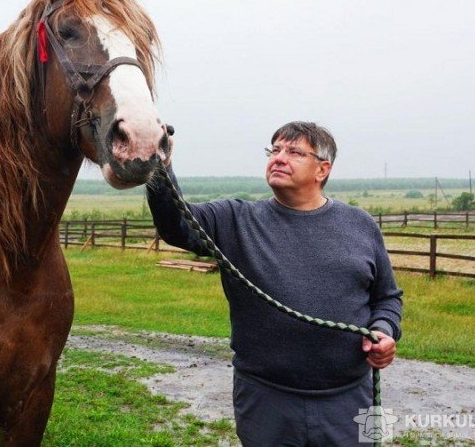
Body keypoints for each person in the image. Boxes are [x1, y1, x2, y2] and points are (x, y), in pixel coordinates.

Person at [147, 121, 403, 446]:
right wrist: (159, 163)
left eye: (294, 151)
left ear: (322, 169)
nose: (279, 158)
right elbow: (175, 225)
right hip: (266, 401)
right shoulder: (236, 220)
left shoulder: (360, 225)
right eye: (275, 149)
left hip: (349, 399)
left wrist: (384, 330)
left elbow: (387, 297)